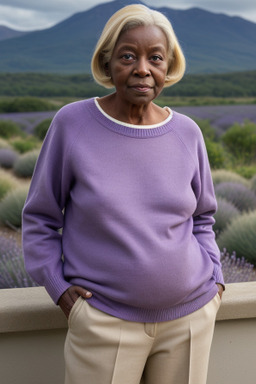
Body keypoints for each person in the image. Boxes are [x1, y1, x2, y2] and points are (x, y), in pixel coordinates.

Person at [22, 4, 224, 384]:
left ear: (169, 67)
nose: (143, 69)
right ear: (107, 61)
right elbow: (40, 217)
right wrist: (61, 291)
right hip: (104, 323)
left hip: (190, 318)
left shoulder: (187, 133)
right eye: (128, 56)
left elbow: (203, 217)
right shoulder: (73, 124)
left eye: (156, 58)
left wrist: (215, 280)